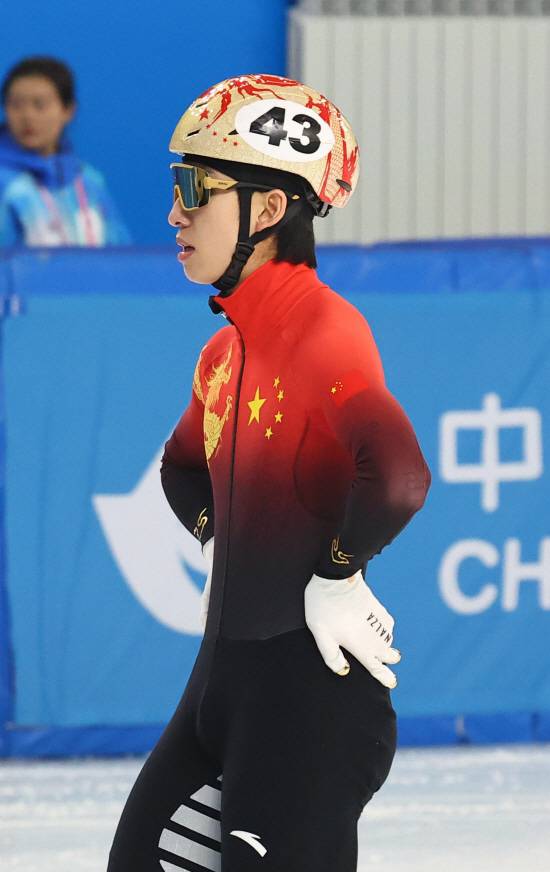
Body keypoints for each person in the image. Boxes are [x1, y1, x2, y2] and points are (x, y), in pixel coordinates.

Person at [108, 73, 431, 872]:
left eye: (195, 188)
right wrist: (230, 538)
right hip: (221, 688)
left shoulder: (324, 331)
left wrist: (336, 573)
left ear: (269, 208)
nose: (175, 212)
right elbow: (182, 468)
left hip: (310, 700)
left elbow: (399, 477)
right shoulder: (224, 352)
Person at [0, 56, 130, 246]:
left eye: (40, 105)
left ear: (68, 110)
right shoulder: (5, 183)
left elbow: (119, 252)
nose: (27, 116)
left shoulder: (88, 181)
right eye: (16, 105)